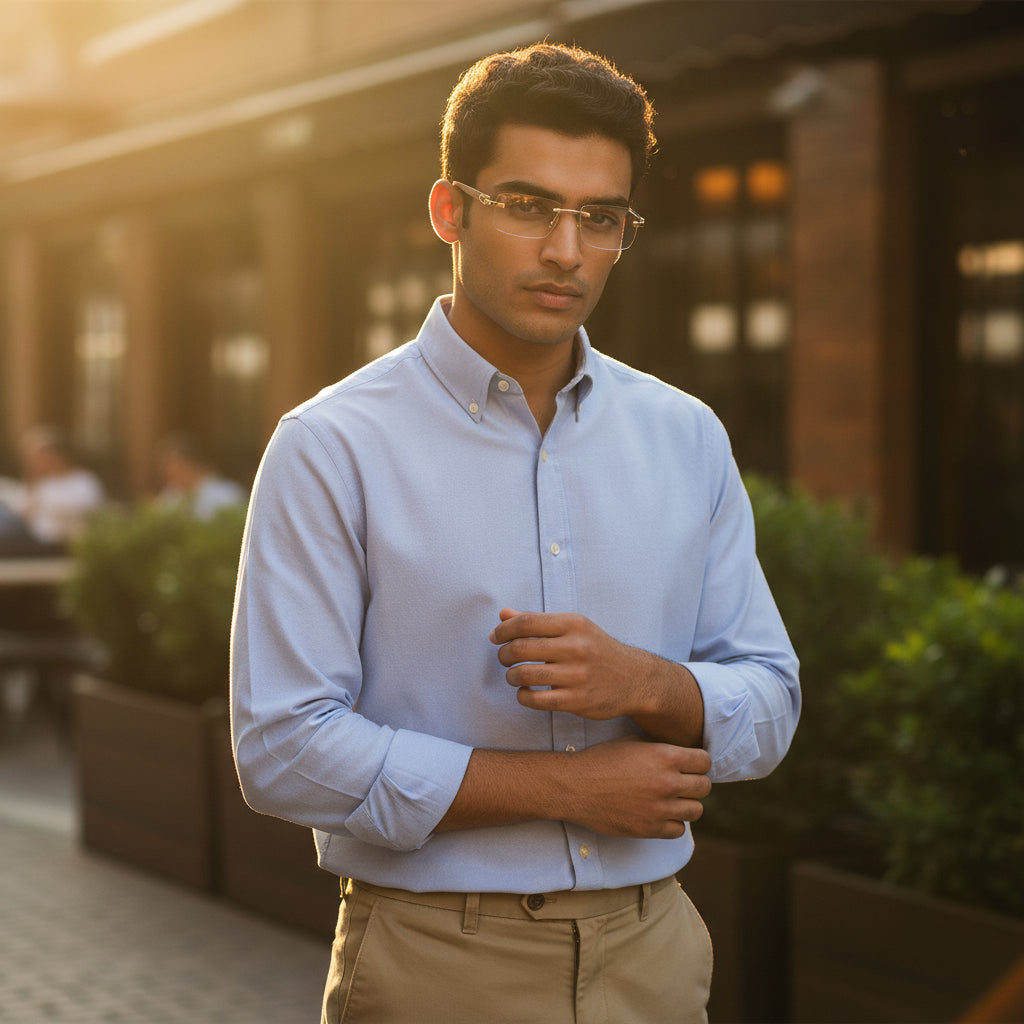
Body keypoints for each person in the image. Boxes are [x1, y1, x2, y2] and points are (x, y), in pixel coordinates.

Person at [231, 42, 800, 1024]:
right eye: (529, 206)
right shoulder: (332, 446)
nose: (566, 252)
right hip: (435, 960)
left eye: (601, 218)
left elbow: (771, 699)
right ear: (450, 210)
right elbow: (282, 748)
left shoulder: (684, 435)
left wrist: (649, 685)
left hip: (652, 950)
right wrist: (569, 787)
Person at [0, 425, 105, 557]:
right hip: (31, 538)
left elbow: (86, 511)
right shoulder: (42, 483)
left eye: (38, 457)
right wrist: (31, 487)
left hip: (57, 542)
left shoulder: (83, 480)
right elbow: (25, 517)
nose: (32, 462)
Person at [156, 433, 246, 520]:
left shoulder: (226, 494)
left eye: (177, 467)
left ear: (191, 464)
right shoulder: (169, 497)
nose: (170, 475)